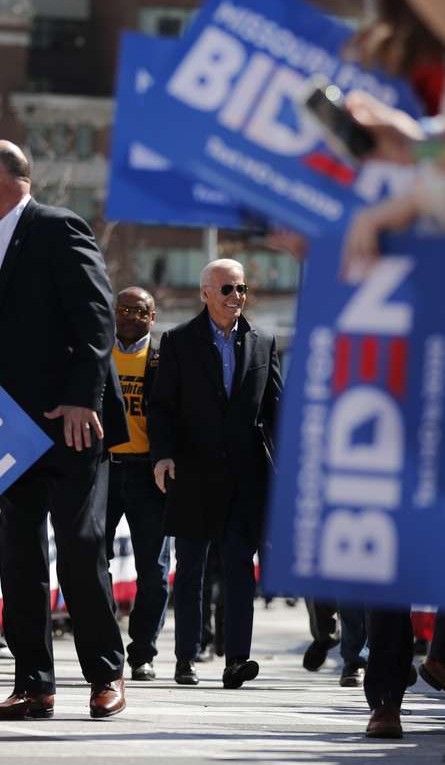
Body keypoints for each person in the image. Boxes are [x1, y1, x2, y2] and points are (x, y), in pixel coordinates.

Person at [0, 140, 130, 721]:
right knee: (20, 557)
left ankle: (106, 674)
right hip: (10, 430)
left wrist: (84, 398)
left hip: (69, 424)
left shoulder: (58, 227)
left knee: (81, 549)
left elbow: (95, 314)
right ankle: (33, 683)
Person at [149, 258, 282, 689]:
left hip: (246, 475)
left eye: (241, 289)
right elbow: (163, 407)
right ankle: (186, 656)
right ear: (205, 292)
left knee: (241, 566)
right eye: (227, 289)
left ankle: (236, 660)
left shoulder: (264, 343)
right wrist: (163, 456)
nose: (236, 297)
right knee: (190, 568)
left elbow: (275, 410)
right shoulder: (177, 341)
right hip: (193, 471)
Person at [104, 285, 171, 682]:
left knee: (155, 571)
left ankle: (142, 652)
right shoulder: (99, 352)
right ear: (115, 312)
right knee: (94, 563)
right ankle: (104, 640)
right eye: (125, 309)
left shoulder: (164, 359)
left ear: (152, 317)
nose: (131, 316)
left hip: (148, 473)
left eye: (140, 311)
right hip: (104, 469)